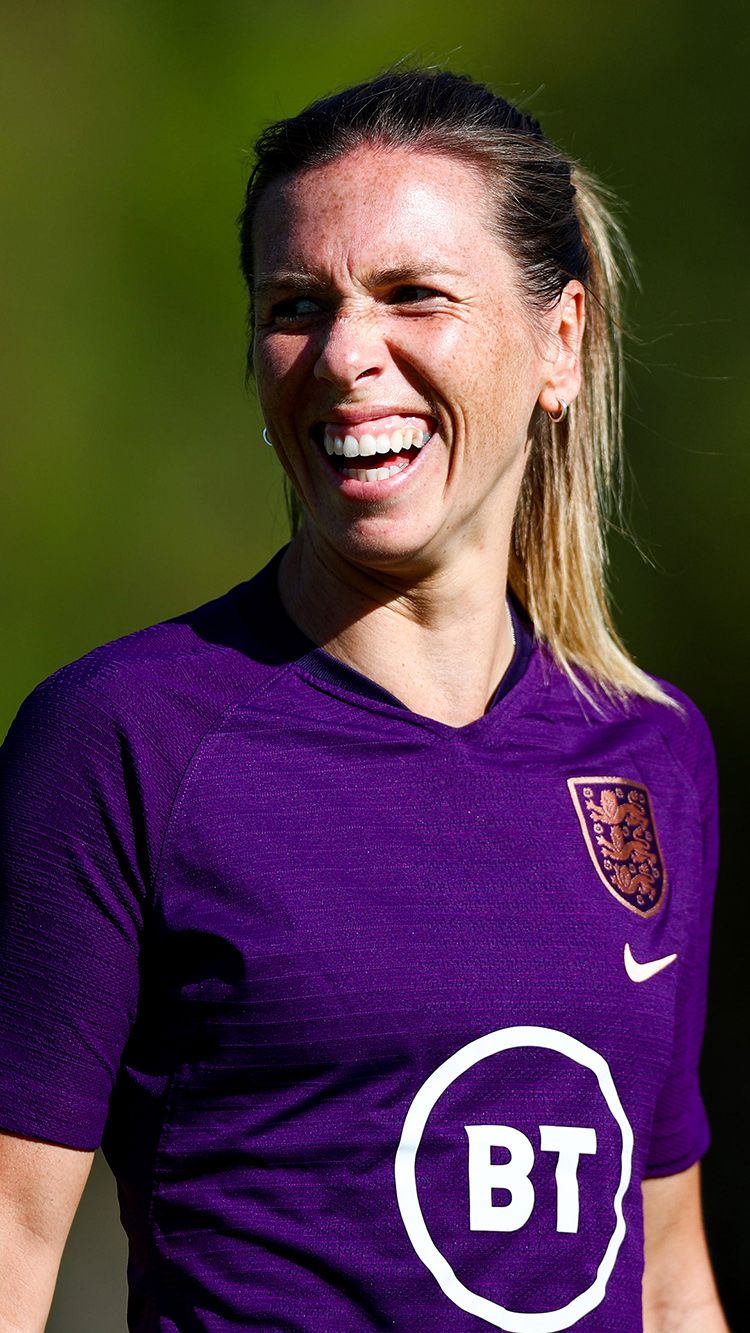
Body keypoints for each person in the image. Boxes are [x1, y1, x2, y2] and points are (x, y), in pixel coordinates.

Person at [0, 68, 727, 1333]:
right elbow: (13, 1235)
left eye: (413, 295)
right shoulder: (124, 737)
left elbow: (665, 1272)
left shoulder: (650, 753)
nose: (344, 355)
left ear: (560, 342)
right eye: (297, 306)